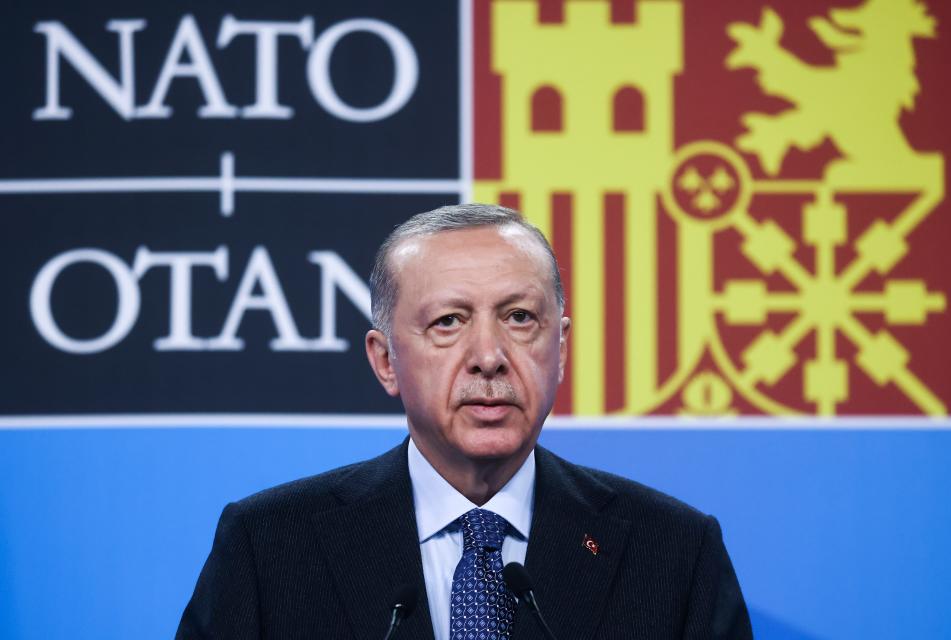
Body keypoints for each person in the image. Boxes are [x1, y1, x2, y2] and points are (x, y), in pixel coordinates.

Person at [176, 203, 753, 639]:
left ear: (562, 347)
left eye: (520, 317)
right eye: (449, 321)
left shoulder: (673, 551)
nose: (488, 354)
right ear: (385, 361)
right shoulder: (270, 547)